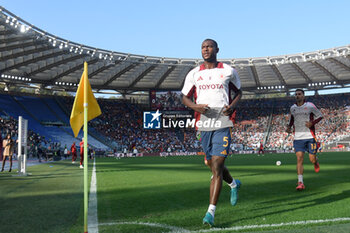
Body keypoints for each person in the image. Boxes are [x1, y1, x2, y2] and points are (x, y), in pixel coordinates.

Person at [182, 39, 242, 226]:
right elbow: (184, 97)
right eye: (202, 47)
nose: (205, 49)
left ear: (217, 49)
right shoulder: (194, 74)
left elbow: (239, 92)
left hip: (223, 119)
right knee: (210, 162)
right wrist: (195, 106)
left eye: (209, 46)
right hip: (204, 121)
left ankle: (210, 213)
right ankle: (233, 183)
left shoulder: (228, 71)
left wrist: (232, 107)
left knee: (217, 165)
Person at [286, 89, 323, 191]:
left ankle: (315, 162)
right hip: (298, 138)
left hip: (310, 137)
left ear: (303, 96)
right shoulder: (292, 108)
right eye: (296, 94)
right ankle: (300, 182)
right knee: (299, 159)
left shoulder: (310, 105)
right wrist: (289, 127)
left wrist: (312, 123)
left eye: (299, 94)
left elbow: (320, 116)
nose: (297, 96)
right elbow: (291, 120)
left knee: (312, 159)